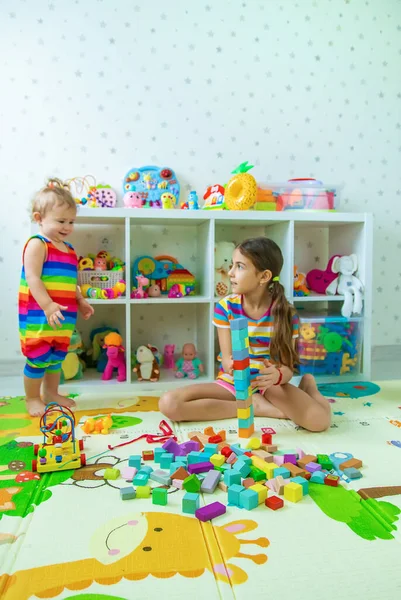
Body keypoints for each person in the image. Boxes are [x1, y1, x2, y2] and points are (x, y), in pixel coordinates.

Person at [159, 237, 331, 432]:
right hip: (234, 383)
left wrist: (278, 375)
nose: (230, 273)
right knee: (169, 403)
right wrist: (230, 364)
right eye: (232, 265)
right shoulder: (225, 307)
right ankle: (252, 406)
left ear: (264, 276)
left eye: (239, 267)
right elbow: (226, 360)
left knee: (320, 422)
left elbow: (288, 368)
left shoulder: (285, 313)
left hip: (269, 385)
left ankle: (309, 387)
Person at [18, 178, 94, 417]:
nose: (67, 226)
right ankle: (32, 397)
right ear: (39, 218)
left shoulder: (70, 250)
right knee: (38, 357)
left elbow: (72, 283)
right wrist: (48, 305)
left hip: (63, 315)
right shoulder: (38, 244)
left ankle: (51, 393)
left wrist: (80, 300)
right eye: (61, 221)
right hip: (40, 315)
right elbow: (33, 278)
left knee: (56, 357)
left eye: (71, 221)